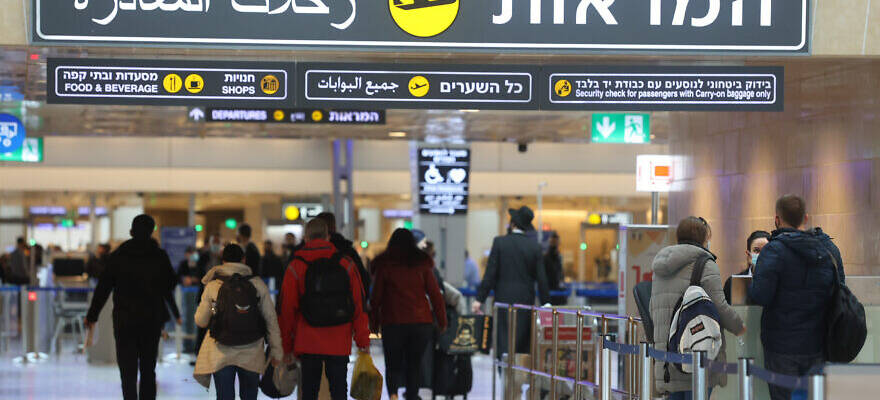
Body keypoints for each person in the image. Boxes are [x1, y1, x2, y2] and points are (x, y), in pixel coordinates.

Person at [747, 195, 843, 400]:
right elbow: (839, 291)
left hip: (781, 348)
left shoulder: (773, 251)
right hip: (818, 344)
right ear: (806, 218)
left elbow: (761, 295)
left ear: (777, 219)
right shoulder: (828, 250)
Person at [84, 215, 181, 400]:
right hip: (151, 320)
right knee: (148, 370)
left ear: (131, 231)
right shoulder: (159, 256)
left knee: (127, 373)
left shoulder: (119, 256)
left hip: (124, 320)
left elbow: (103, 287)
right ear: (152, 232)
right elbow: (170, 283)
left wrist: (92, 315)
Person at [650, 216, 746, 400]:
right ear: (704, 238)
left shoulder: (660, 268)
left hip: (668, 360)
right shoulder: (705, 264)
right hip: (697, 357)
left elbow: (653, 308)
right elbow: (720, 307)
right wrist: (739, 326)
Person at [279, 218, 370, 400]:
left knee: (309, 391)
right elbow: (358, 304)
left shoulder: (296, 266)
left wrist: (286, 346)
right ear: (328, 237)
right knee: (338, 391)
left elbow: (287, 309)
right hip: (339, 339)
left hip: (307, 339)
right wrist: (362, 339)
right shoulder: (346, 264)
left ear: (306, 238)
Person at [193, 244, 283, 400]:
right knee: (249, 396)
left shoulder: (214, 285)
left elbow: (201, 321)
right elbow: (271, 320)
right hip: (252, 352)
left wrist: (214, 311)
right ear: (244, 260)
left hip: (221, 351)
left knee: (225, 396)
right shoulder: (257, 284)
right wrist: (276, 351)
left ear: (223, 260)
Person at [370, 228, 447, 400]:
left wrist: (374, 323)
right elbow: (436, 295)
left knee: (393, 364)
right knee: (415, 364)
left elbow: (376, 298)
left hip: (393, 322)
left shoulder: (384, 265)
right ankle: (412, 395)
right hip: (420, 323)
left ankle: (394, 396)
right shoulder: (422, 265)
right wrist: (442, 322)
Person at [472, 206, 550, 361]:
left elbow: (490, 274)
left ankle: (505, 376)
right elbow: (542, 279)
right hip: (526, 302)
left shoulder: (500, 243)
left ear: (513, 224)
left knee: (504, 340)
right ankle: (519, 376)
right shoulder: (534, 247)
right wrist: (546, 303)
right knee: (523, 341)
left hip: (503, 300)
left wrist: (479, 299)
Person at [314, 212, 371, 307]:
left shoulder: (306, 252)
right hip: (343, 312)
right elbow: (363, 281)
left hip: (311, 315)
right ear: (334, 226)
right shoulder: (347, 251)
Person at [723, 231, 771, 304]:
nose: (761, 255)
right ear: (748, 255)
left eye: (766, 250)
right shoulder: (732, 283)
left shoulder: (778, 281)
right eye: (756, 250)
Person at [544, 232, 567, 305]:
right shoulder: (547, 257)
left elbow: (560, 272)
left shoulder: (558, 256)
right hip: (550, 290)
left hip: (556, 290)